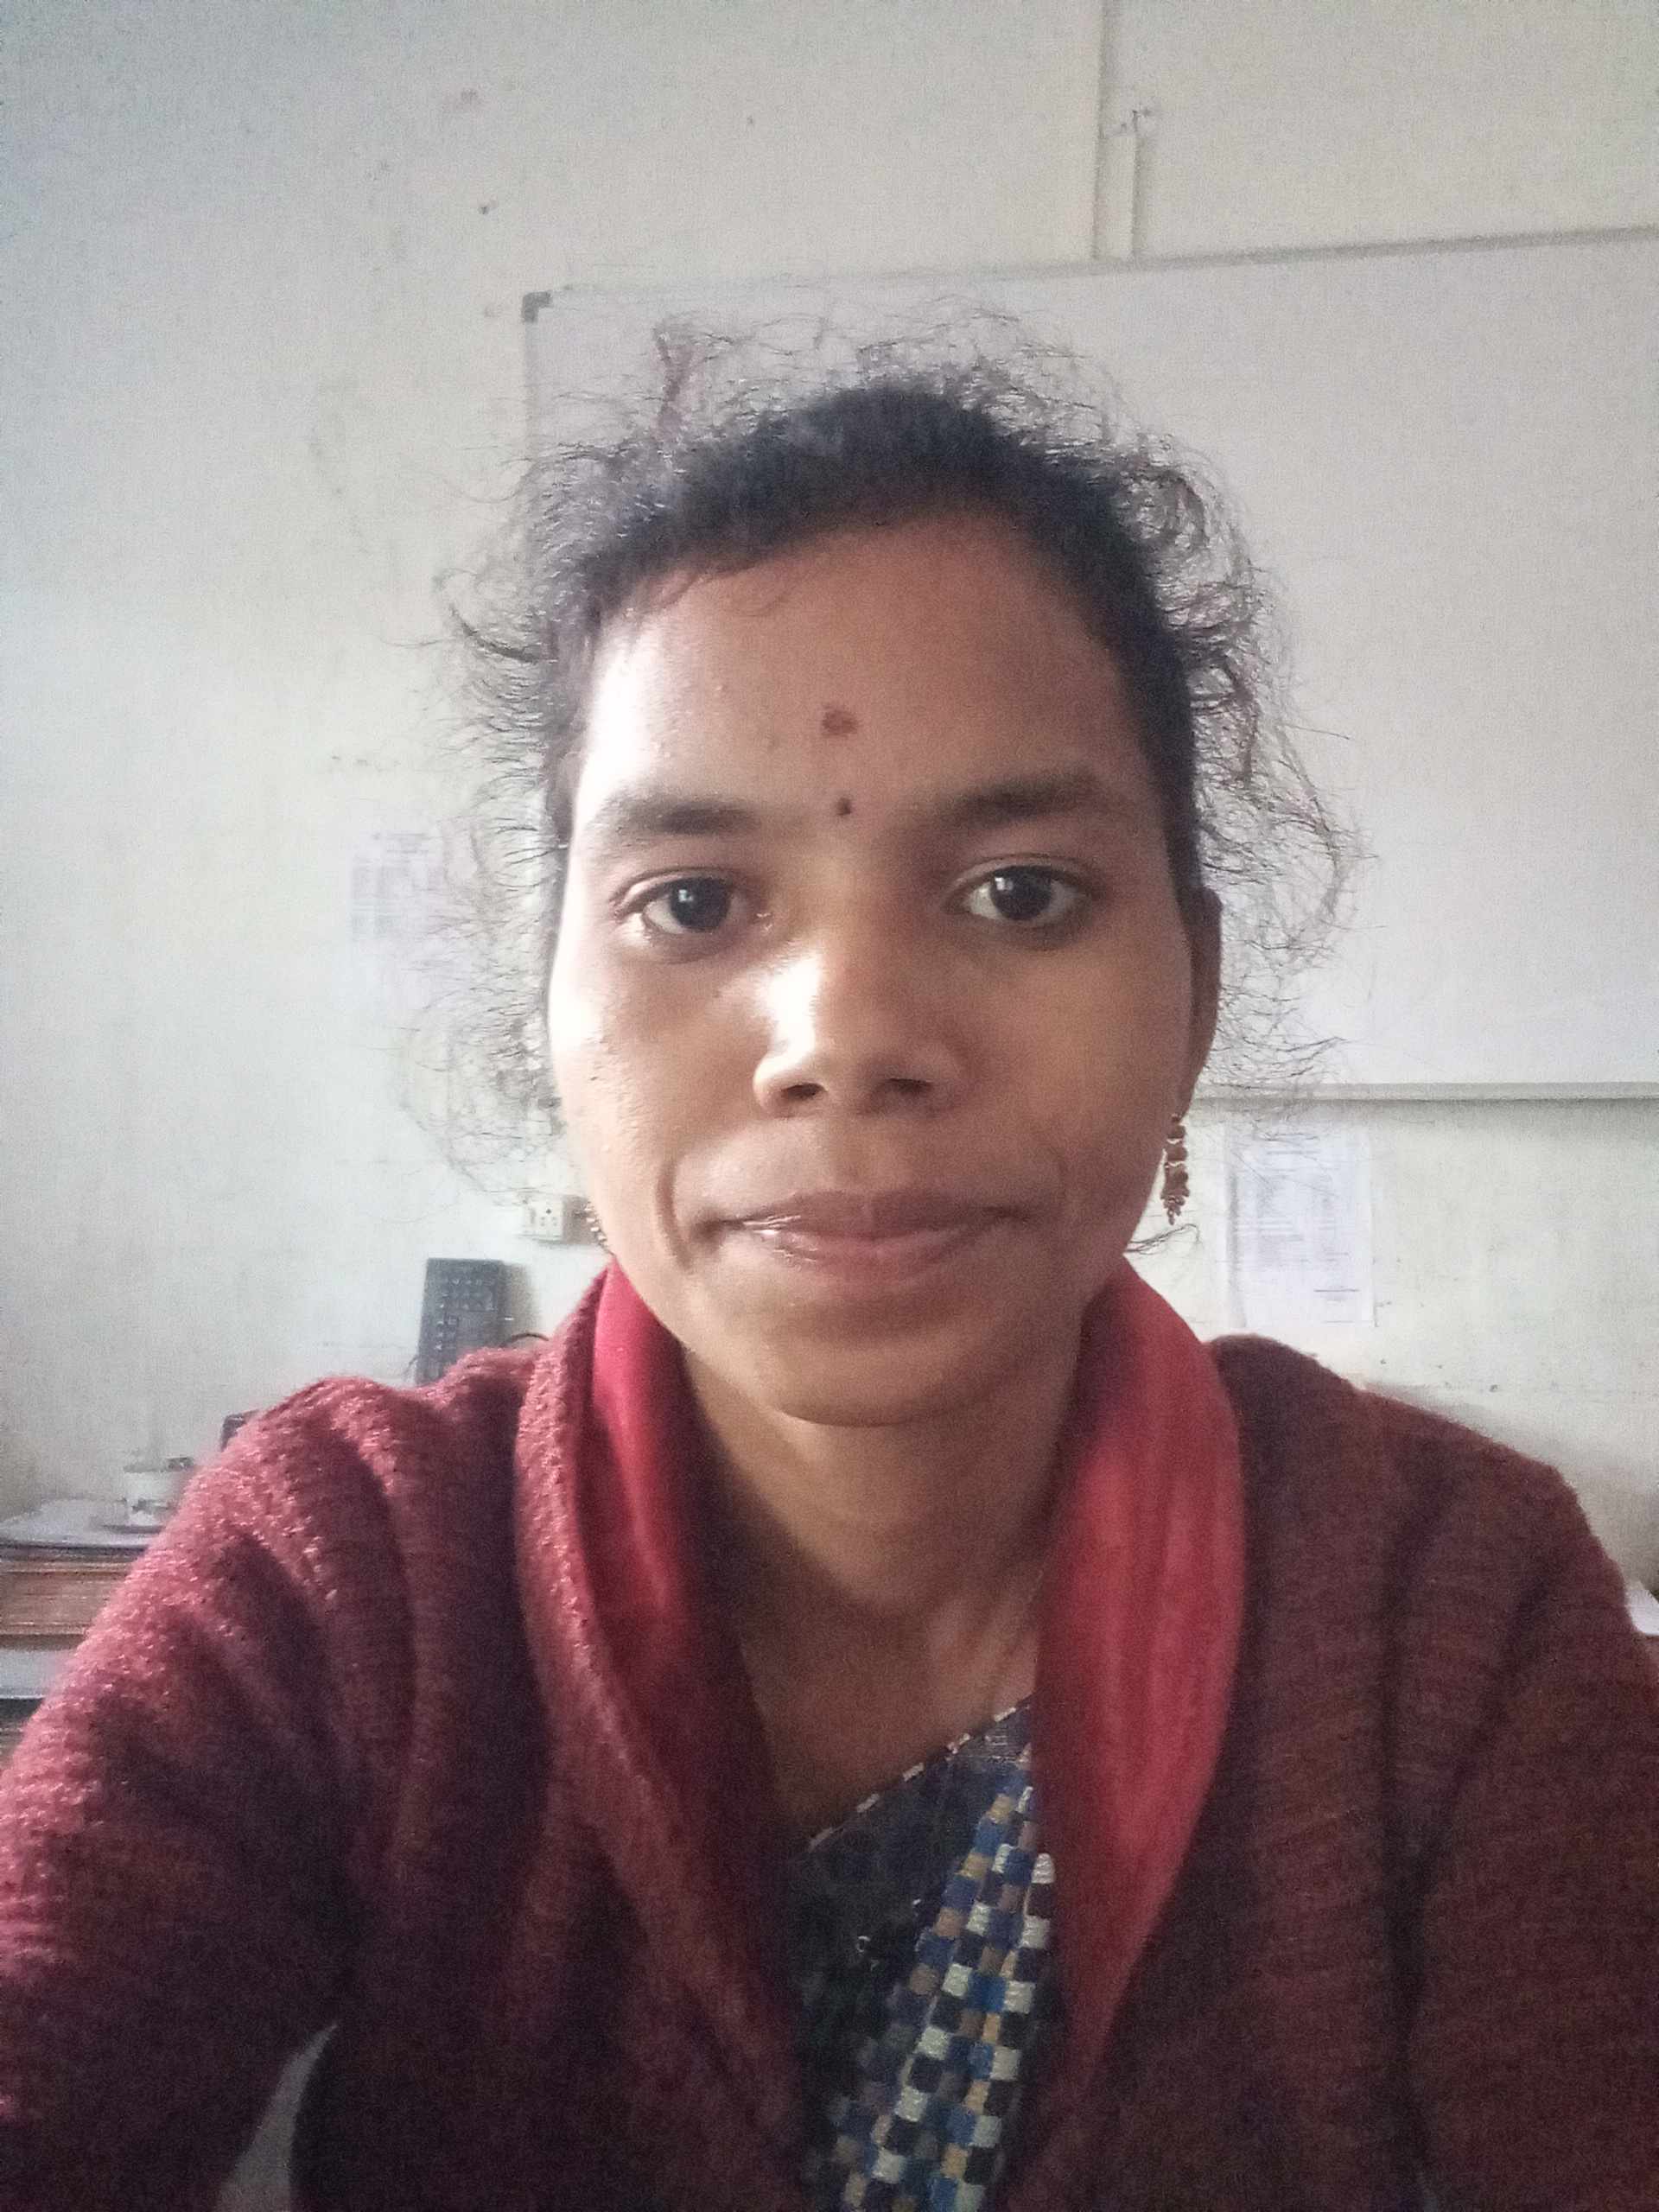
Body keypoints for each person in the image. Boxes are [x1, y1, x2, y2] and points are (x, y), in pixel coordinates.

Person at [1, 338, 1655, 2212]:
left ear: (1190, 995)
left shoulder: (1449, 1614)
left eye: (1022, 889)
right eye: (693, 902)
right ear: (551, 1002)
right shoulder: (351, 1575)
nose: (846, 1037)